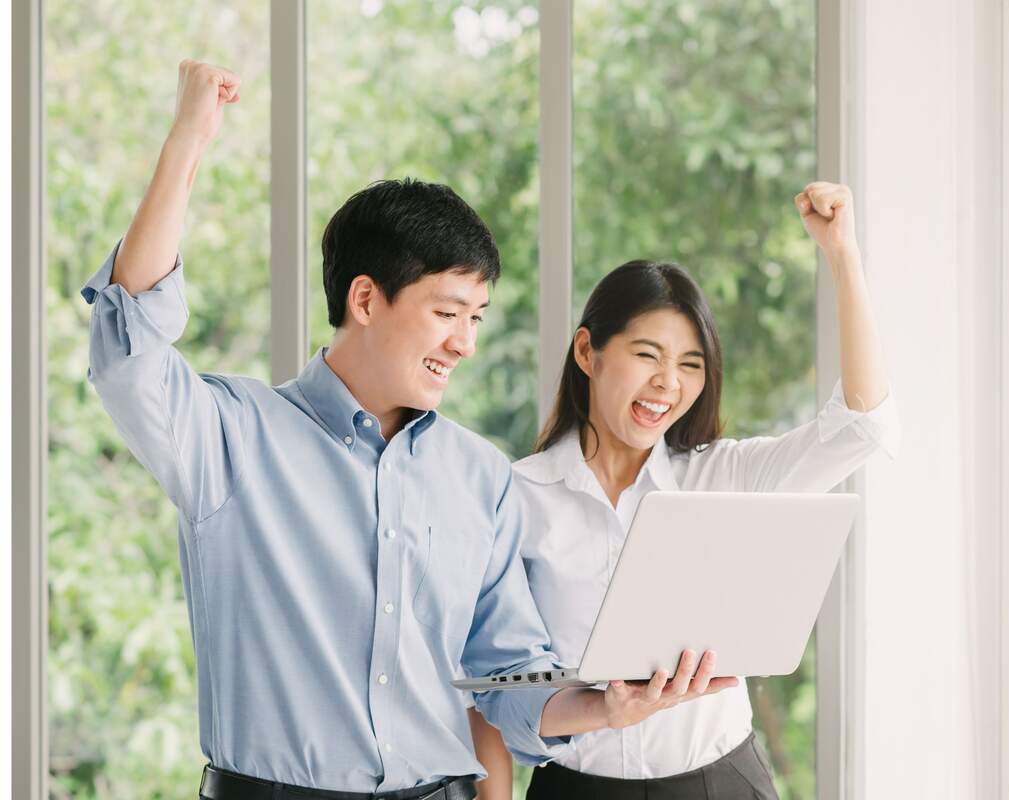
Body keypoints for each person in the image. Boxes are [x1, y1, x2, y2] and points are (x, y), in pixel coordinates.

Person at [83, 59, 736, 800]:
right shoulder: (232, 439)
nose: (466, 342)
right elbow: (129, 349)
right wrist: (188, 141)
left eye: (477, 318)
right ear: (366, 299)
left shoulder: (480, 476)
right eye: (447, 312)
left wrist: (602, 706)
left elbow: (505, 673)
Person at [467, 181, 900, 800]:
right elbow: (497, 686)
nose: (667, 383)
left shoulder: (724, 478)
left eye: (691, 364)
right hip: (577, 788)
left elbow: (861, 428)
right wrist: (600, 711)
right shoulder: (516, 497)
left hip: (719, 781)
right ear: (587, 351)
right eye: (647, 355)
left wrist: (843, 256)